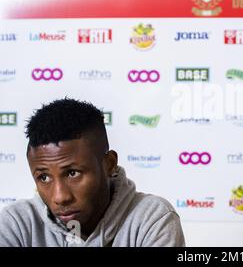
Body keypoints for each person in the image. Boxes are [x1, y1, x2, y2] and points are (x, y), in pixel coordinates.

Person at [0, 98, 185, 246]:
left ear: (109, 164)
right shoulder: (15, 224)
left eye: (73, 173)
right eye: (44, 177)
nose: (60, 197)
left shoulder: (152, 219)